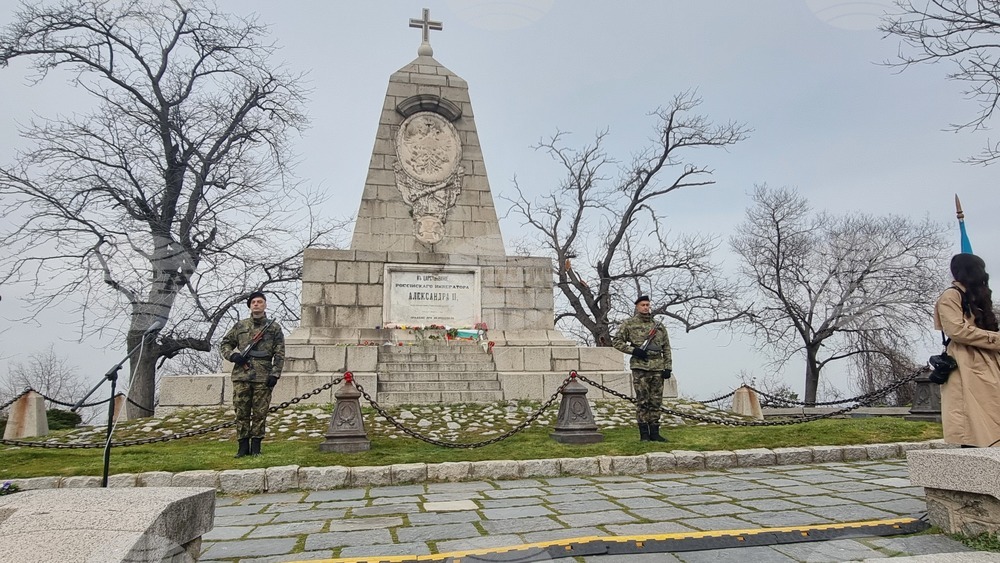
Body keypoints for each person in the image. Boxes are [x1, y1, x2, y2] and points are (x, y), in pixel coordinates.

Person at [934, 253, 1000, 448]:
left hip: (988, 358)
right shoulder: (951, 295)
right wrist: (995, 339)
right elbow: (956, 331)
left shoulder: (976, 295)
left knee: (992, 411)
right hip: (967, 361)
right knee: (973, 419)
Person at [220, 291, 285, 457]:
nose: (256, 304)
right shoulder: (240, 326)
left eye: (260, 302)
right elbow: (225, 344)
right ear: (250, 305)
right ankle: (242, 447)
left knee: (259, 413)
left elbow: (279, 352)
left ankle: (256, 447)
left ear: (265, 305)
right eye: (254, 302)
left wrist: (275, 373)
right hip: (242, 375)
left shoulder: (274, 328)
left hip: (263, 375)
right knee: (241, 412)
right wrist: (233, 356)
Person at [613, 295, 673, 442]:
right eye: (642, 305)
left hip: (657, 367)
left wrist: (668, 367)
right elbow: (616, 341)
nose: (646, 307)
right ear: (637, 307)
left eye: (647, 305)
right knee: (642, 401)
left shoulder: (658, 326)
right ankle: (644, 434)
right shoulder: (629, 324)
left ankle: (655, 432)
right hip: (640, 367)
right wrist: (633, 351)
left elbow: (666, 347)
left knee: (656, 401)